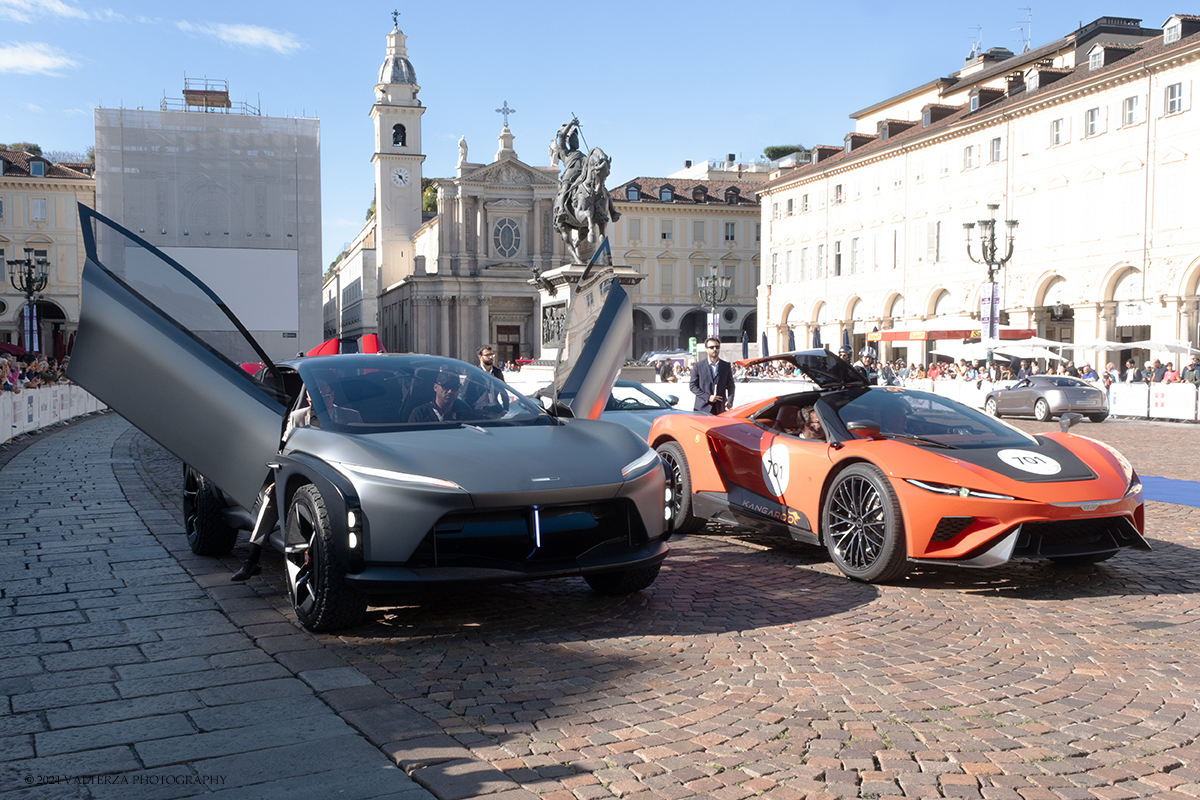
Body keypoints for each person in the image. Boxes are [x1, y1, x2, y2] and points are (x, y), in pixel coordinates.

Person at [689, 337, 734, 414]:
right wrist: (708, 397)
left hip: (720, 408)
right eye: (711, 347)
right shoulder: (698, 366)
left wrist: (729, 401)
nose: (714, 349)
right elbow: (693, 386)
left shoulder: (726, 366)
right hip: (702, 408)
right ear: (706, 349)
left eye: (717, 347)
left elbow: (731, 386)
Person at [409, 371, 476, 423]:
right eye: (446, 387)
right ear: (435, 387)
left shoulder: (464, 412)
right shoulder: (420, 414)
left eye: (455, 387)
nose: (450, 391)